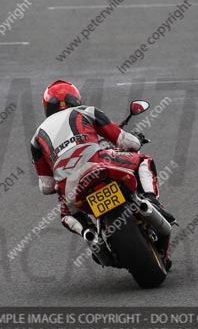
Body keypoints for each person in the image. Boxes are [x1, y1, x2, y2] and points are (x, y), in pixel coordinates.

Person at [30, 80, 175, 268]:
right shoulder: (87, 112)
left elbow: (46, 186)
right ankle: (150, 200)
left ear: (47, 107)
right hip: (99, 165)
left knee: (66, 215)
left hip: (71, 186)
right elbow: (124, 142)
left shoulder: (36, 138)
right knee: (143, 160)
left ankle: (90, 233)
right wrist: (137, 141)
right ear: (76, 98)